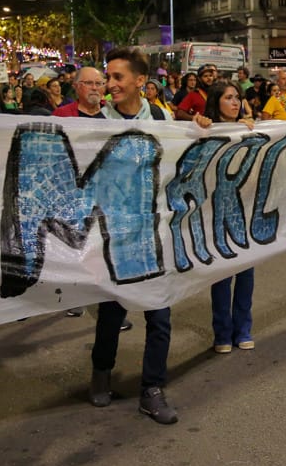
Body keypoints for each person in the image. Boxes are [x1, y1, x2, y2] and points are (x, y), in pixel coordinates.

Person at [89, 47, 208, 425]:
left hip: (155, 233)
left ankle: (152, 388)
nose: (110, 84)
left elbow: (183, 157)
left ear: (140, 81)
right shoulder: (95, 123)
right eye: (107, 78)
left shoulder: (161, 117)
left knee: (160, 313)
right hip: (113, 234)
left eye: (117, 77)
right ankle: (101, 371)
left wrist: (201, 130)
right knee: (112, 312)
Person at [52, 67, 133, 328]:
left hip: (109, 194)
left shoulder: (113, 114)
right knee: (79, 248)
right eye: (89, 83)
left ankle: (111, 310)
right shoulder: (62, 115)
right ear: (76, 87)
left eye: (100, 83)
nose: (96, 88)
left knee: (107, 252)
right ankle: (76, 294)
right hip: (74, 194)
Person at [202, 82, 257, 351]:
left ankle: (243, 330)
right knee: (222, 276)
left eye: (237, 97)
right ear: (216, 101)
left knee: (246, 275)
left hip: (245, 212)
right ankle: (222, 333)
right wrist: (199, 126)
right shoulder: (205, 130)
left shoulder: (249, 129)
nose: (235, 103)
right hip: (216, 213)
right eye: (228, 98)